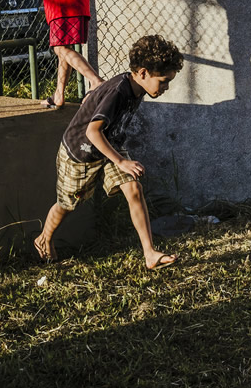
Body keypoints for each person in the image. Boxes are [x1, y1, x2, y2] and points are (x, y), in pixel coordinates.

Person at [33, 34, 184, 270]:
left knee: (134, 188)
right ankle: (44, 238)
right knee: (66, 204)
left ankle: (150, 254)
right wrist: (122, 161)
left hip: (109, 145)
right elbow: (93, 132)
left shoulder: (140, 86)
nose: (166, 87)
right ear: (143, 73)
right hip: (80, 153)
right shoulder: (118, 92)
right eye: (163, 81)